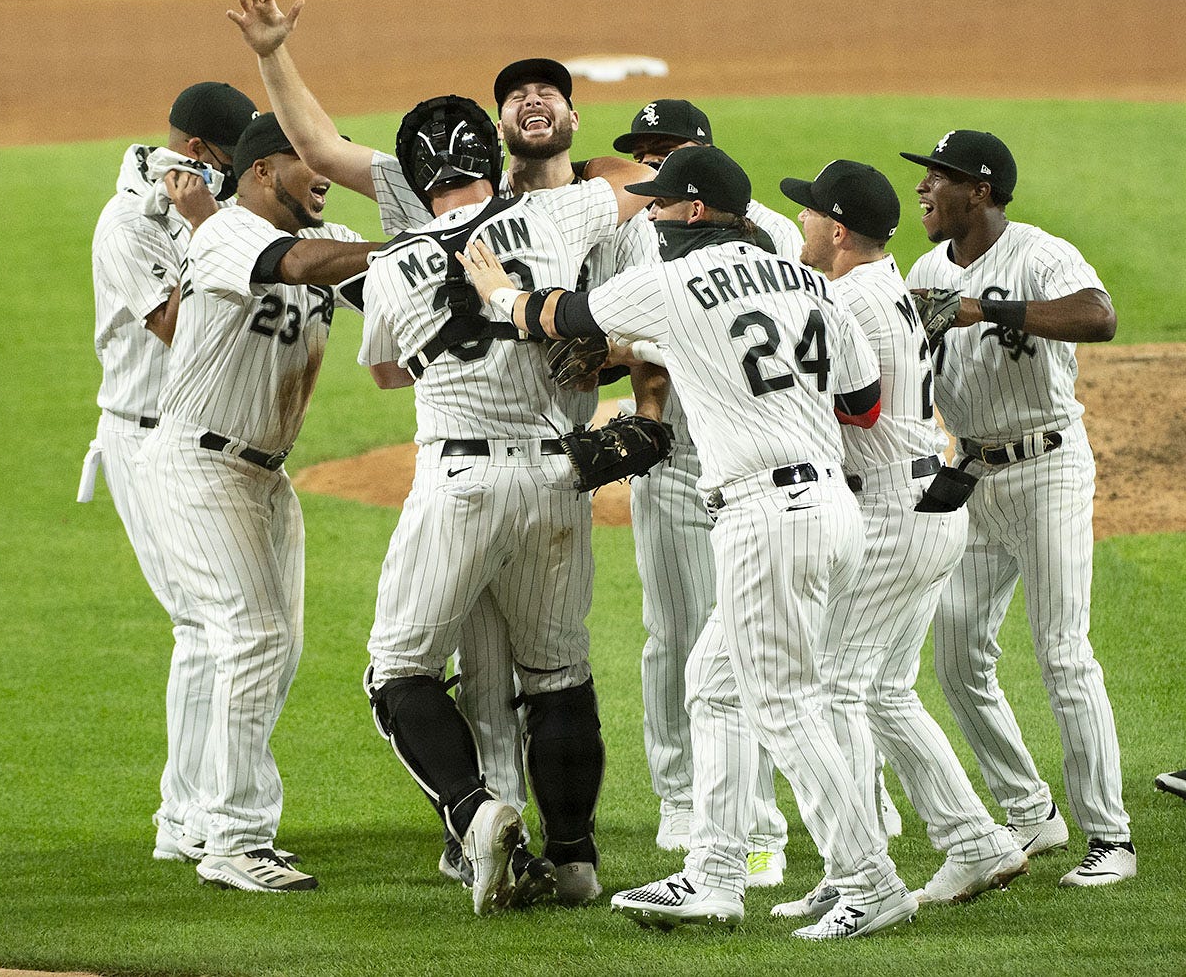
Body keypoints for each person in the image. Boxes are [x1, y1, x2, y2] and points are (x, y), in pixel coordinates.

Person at [458, 146, 918, 941]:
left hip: (763, 516)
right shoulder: (813, 283)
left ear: (696, 211)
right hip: (831, 510)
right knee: (713, 682)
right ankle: (713, 875)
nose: (652, 215)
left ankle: (871, 881)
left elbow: (562, 318)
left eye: (661, 204)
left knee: (784, 704)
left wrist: (500, 293)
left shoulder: (671, 282)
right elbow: (864, 405)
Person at [358, 94, 657, 914]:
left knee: (398, 672)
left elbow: (388, 372)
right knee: (558, 672)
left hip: (459, 481)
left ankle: (473, 812)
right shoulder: (556, 213)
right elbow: (651, 178)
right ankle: (575, 860)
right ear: (490, 159)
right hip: (560, 474)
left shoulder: (389, 266)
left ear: (418, 181)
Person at [132, 112, 382, 892]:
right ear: (264, 171)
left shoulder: (328, 230)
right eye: (310, 161)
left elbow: (376, 287)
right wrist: (410, 249)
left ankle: (206, 817)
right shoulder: (224, 235)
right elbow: (300, 263)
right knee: (253, 638)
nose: (327, 174)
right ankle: (235, 839)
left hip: (264, 476)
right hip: (200, 466)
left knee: (273, 651)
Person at [773, 159, 1027, 917]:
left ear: (839, 231)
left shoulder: (842, 301)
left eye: (812, 214)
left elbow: (838, 411)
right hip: (928, 500)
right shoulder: (886, 287)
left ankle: (860, 876)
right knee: (882, 688)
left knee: (836, 689)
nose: (803, 226)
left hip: (887, 509)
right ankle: (975, 840)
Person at [901, 129, 1134, 887]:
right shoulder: (925, 269)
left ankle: (1112, 838)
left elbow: (1098, 316)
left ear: (982, 188)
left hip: (1048, 470)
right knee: (958, 656)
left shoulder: (1039, 252)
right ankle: (1030, 809)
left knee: (1063, 652)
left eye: (938, 178)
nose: (923, 191)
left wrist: (986, 310)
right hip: (971, 475)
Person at [607, 99, 807, 879]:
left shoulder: (778, 234)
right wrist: (647, 413)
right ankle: (682, 798)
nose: (652, 161)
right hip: (677, 455)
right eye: (643, 151)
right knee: (675, 633)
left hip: (754, 459)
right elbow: (631, 343)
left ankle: (749, 812)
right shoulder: (640, 229)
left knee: (755, 643)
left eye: (667, 149)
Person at [83, 81, 259, 865]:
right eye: (231, 155)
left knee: (225, 627)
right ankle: (183, 817)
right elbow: (182, 332)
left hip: (202, 445)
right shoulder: (129, 225)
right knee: (201, 623)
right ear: (196, 156)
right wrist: (209, 230)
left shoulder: (204, 207)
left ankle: (200, 807)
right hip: (146, 439)